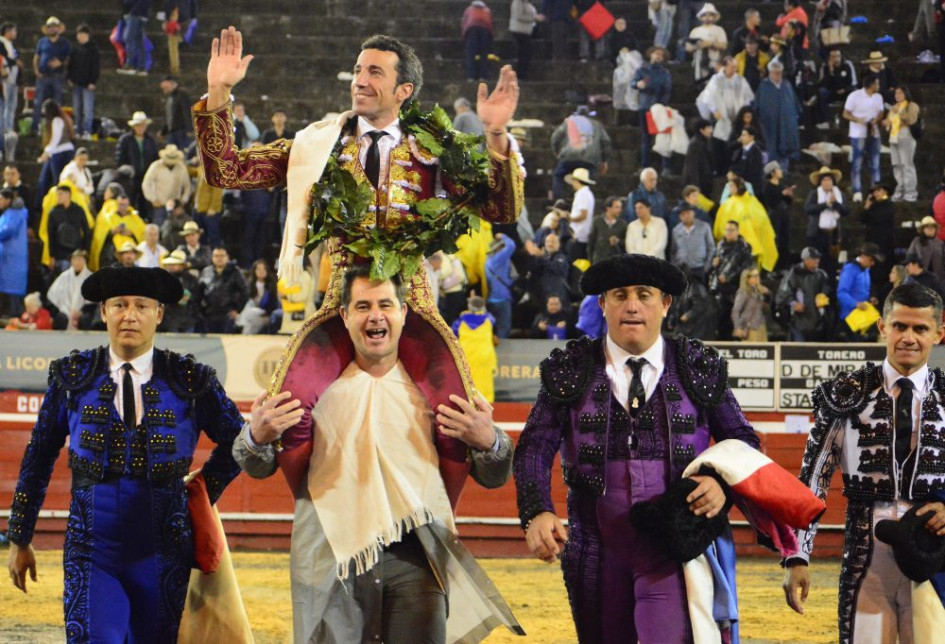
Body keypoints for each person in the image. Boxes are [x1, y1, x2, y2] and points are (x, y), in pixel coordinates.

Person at [194, 28, 524, 444]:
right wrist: (218, 91)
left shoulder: (438, 150)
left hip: (414, 308)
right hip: (340, 306)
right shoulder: (317, 145)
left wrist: (495, 135)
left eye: (374, 72)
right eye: (356, 70)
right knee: (283, 416)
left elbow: (502, 209)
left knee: (464, 427)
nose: (359, 80)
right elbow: (226, 171)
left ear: (404, 89)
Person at [232, 265, 521, 640]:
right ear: (344, 315)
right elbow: (256, 465)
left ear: (404, 313)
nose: (375, 315)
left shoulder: (436, 387)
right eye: (363, 305)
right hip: (333, 557)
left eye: (386, 304)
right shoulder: (312, 388)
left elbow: (494, 474)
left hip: (417, 557)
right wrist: (255, 435)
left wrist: (490, 442)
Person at [513, 253, 766, 643]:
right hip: (594, 549)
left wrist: (721, 484)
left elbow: (744, 441)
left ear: (665, 304)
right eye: (619, 295)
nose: (632, 305)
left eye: (644, 294)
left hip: (671, 547)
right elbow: (534, 446)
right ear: (602, 304)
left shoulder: (696, 366)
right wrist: (537, 510)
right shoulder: (572, 367)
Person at [5, 265, 246, 640]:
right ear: (103, 312)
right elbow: (38, 456)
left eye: (141, 306)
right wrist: (20, 537)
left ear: (159, 314)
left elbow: (238, 441)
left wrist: (200, 492)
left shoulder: (190, 379)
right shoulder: (72, 376)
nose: (129, 316)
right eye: (119, 305)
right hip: (91, 551)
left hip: (163, 552)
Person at [784, 282, 945, 643]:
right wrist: (797, 555)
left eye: (920, 328)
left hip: (935, 560)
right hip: (865, 559)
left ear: (939, 333)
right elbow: (814, 477)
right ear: (882, 327)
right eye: (900, 326)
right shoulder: (848, 394)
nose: (908, 337)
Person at [714, 175, 778, 272]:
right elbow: (720, 224)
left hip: (753, 247)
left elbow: (763, 221)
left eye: (732, 186)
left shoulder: (753, 202)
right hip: (732, 249)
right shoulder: (728, 204)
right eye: (729, 186)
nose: (730, 189)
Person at [550, 105, 611, 201]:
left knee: (558, 176)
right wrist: (604, 161)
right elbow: (606, 142)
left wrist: (557, 151)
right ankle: (585, 202)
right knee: (588, 181)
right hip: (589, 160)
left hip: (569, 157)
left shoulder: (569, 121)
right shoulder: (597, 125)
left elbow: (555, 137)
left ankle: (559, 200)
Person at [709, 220, 755, 339]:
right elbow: (713, 267)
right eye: (727, 230)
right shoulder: (720, 245)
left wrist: (728, 277)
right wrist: (713, 264)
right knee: (720, 320)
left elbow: (746, 268)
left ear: (737, 231)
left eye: (731, 230)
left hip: (737, 289)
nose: (728, 233)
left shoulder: (744, 248)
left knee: (735, 319)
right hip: (721, 291)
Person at [774, 246, 832, 341]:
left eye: (817, 258)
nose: (817, 260)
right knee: (799, 351)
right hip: (798, 321)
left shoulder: (821, 275)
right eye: (813, 258)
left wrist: (824, 296)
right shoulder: (794, 273)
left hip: (817, 322)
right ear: (805, 260)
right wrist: (793, 303)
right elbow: (782, 295)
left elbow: (828, 290)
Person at [843, 73, 885, 202]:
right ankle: (857, 190)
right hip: (858, 133)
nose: (878, 85)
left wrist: (875, 120)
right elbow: (845, 113)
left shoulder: (878, 97)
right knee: (857, 163)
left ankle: (875, 191)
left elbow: (881, 112)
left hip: (874, 132)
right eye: (877, 83)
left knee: (875, 163)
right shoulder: (854, 96)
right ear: (871, 84)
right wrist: (857, 119)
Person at [756, 60, 801, 172]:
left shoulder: (787, 85)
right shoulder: (764, 86)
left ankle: (784, 172)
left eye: (779, 72)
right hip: (770, 126)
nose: (777, 75)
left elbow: (794, 105)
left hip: (786, 125)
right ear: (770, 73)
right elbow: (759, 107)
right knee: (771, 148)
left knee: (786, 149)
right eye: (775, 72)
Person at [632, 46, 672, 169]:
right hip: (644, 107)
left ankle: (665, 167)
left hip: (659, 108)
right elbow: (633, 83)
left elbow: (667, 90)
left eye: (661, 54)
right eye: (656, 53)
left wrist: (662, 105)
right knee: (645, 138)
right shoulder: (642, 70)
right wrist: (638, 84)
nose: (658, 56)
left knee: (663, 137)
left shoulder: (665, 73)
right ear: (651, 54)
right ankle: (645, 166)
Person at [452, 294, 498, 402]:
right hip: (484, 357)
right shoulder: (489, 320)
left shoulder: (459, 322)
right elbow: (493, 322)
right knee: (485, 385)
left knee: (466, 385)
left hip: (465, 357)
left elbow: (452, 335)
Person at [115, 111, 160, 217]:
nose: (140, 128)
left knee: (146, 204)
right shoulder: (125, 140)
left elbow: (155, 159)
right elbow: (120, 159)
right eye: (138, 125)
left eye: (142, 125)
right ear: (134, 126)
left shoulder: (151, 141)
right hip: (131, 178)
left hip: (147, 177)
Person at [31, 17, 70, 136]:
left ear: (58, 28)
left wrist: (60, 63)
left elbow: (68, 59)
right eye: (50, 27)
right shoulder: (42, 42)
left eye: (54, 27)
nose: (52, 29)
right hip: (43, 76)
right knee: (38, 103)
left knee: (57, 104)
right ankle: (34, 128)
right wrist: (36, 70)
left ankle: (57, 130)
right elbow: (36, 57)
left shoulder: (65, 43)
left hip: (57, 76)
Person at [196, 246, 249, 333]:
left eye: (222, 256)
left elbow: (245, 292)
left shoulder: (235, 271)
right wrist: (200, 310)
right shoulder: (206, 272)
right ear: (212, 258)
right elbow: (198, 293)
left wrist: (237, 309)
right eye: (216, 256)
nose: (219, 258)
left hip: (227, 315)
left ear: (227, 257)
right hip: (209, 314)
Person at [89, 188, 145, 272]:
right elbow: (99, 236)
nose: (122, 207)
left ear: (128, 205)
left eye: (124, 205)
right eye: (120, 204)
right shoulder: (108, 217)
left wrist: (132, 234)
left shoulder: (135, 219)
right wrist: (112, 232)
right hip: (112, 250)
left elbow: (142, 235)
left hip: (132, 249)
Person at [804, 165, 849, 268]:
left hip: (833, 233)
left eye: (829, 179)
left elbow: (846, 211)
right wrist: (825, 204)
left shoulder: (839, 195)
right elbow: (808, 209)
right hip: (817, 234)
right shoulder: (814, 194)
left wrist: (835, 204)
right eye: (824, 180)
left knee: (832, 263)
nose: (827, 182)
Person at [883, 86, 920, 204]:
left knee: (907, 164)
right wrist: (886, 122)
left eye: (900, 93)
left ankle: (910, 192)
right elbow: (889, 121)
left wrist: (898, 113)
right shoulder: (894, 107)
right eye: (896, 93)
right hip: (894, 137)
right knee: (897, 165)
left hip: (906, 136)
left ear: (905, 94)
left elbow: (911, 119)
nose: (897, 95)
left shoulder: (912, 105)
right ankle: (900, 189)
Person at [836, 243, 881, 338]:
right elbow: (841, 293)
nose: (873, 263)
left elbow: (864, 289)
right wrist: (855, 303)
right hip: (849, 319)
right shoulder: (849, 269)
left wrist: (871, 297)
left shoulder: (866, 269)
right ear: (863, 256)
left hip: (862, 318)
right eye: (871, 260)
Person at [36, 99, 75, 207]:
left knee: (57, 180)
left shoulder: (57, 120)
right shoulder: (58, 120)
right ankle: (39, 205)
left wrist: (46, 152)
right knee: (43, 180)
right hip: (55, 153)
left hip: (62, 153)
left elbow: (55, 139)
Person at [141, 143, 191, 227]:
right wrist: (153, 199)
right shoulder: (156, 166)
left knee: (176, 230)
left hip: (175, 206)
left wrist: (184, 199)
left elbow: (187, 185)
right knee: (159, 228)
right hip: (160, 204)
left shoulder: (181, 167)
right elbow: (146, 183)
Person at [45, 184, 91, 274]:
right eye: (57, 194)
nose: (58, 197)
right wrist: (52, 256)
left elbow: (86, 230)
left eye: (61, 194)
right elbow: (51, 235)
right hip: (60, 253)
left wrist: (86, 249)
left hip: (77, 251)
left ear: (68, 194)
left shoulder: (78, 210)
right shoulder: (53, 212)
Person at [860, 183, 896, 287]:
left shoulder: (889, 205)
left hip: (885, 242)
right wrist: (866, 207)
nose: (875, 193)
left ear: (885, 191)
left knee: (884, 268)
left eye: (878, 190)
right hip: (872, 241)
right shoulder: (873, 205)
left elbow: (880, 218)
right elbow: (863, 219)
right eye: (874, 191)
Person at [68, 25, 99, 140]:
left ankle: (87, 130)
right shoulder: (75, 49)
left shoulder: (93, 50)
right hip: (76, 83)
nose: (81, 37)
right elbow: (71, 65)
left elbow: (95, 67)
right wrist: (70, 78)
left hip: (87, 84)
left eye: (83, 34)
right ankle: (78, 130)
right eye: (79, 34)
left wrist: (93, 81)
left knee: (87, 109)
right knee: (77, 109)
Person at [46, 248, 91, 329]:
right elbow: (53, 296)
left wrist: (80, 312)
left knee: (85, 319)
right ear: (71, 261)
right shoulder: (64, 276)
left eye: (80, 259)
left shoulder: (90, 277)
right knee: (60, 318)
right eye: (75, 260)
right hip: (65, 311)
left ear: (85, 261)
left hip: (83, 312)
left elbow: (92, 302)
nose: (77, 262)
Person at [670, 202, 714, 282]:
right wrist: (675, 267)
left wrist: (707, 266)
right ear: (680, 216)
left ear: (693, 213)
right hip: (681, 268)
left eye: (687, 213)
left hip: (699, 268)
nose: (685, 216)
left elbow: (711, 247)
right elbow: (673, 251)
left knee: (700, 292)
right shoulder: (676, 230)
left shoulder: (704, 227)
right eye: (682, 214)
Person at [762, 161, 794, 270]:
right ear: (773, 173)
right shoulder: (768, 187)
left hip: (784, 214)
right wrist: (781, 194)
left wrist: (788, 195)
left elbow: (787, 201)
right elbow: (771, 202)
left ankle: (784, 267)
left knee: (785, 241)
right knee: (776, 241)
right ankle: (775, 267)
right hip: (774, 216)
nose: (781, 172)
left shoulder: (781, 185)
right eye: (778, 170)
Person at [814, 47, 856, 130]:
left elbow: (851, 83)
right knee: (821, 92)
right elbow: (824, 84)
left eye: (838, 56)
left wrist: (845, 90)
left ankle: (850, 120)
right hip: (832, 92)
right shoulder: (825, 67)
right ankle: (825, 121)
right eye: (833, 57)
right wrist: (831, 70)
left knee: (853, 92)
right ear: (829, 58)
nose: (836, 59)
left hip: (845, 92)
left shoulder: (846, 66)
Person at [0, 188, 27, 316]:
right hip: (10, 258)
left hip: (11, 258)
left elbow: (6, 230)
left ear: (7, 200)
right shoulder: (14, 212)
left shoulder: (14, 213)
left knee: (12, 289)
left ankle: (13, 317)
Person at [485, 231, 517, 339]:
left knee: (494, 327)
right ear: (498, 248)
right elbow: (511, 245)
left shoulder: (487, 261)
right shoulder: (499, 259)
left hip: (491, 299)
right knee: (504, 327)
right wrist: (503, 236)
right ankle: (503, 353)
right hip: (502, 299)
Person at [686, 3, 728, 82]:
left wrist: (710, 44)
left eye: (710, 15)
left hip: (714, 61)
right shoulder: (695, 31)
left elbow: (724, 45)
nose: (707, 17)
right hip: (698, 62)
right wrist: (698, 46)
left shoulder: (719, 30)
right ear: (701, 17)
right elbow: (688, 47)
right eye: (705, 15)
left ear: (714, 17)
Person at [236, 258, 280, 334]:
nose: (261, 271)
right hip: (252, 314)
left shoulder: (272, 285)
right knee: (250, 316)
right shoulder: (249, 285)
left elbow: (273, 305)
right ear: (254, 271)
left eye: (263, 269)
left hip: (265, 315)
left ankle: (240, 322)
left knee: (250, 317)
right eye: (258, 269)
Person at [565, 166, 595, 262]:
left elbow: (583, 215)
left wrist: (569, 218)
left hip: (578, 235)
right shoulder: (585, 193)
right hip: (581, 235)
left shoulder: (583, 194)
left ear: (576, 180)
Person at [587, 195, 628, 265]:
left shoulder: (623, 224)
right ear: (608, 208)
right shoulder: (597, 221)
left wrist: (618, 241)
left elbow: (627, 242)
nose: (620, 210)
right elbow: (591, 241)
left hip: (615, 261)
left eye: (620, 207)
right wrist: (590, 260)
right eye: (617, 207)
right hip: (599, 260)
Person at [906, 216, 945, 286]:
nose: (930, 230)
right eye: (927, 227)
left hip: (938, 279)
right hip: (920, 278)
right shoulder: (916, 241)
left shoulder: (940, 243)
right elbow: (909, 258)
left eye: (932, 227)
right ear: (923, 229)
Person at [461, 1, 495, 81]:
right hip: (485, 30)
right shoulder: (487, 10)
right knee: (484, 54)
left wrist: (464, 36)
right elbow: (491, 24)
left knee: (470, 54)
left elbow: (464, 23)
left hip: (472, 30)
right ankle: (483, 76)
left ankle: (471, 76)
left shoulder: (468, 9)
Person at [732, 267, 769, 341]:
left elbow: (766, 309)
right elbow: (735, 310)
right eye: (755, 276)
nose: (757, 278)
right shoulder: (743, 292)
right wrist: (737, 327)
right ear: (747, 279)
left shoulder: (758, 291)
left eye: (758, 275)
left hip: (761, 327)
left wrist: (767, 294)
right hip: (750, 329)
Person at [682, 119, 714, 197]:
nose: (710, 130)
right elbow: (693, 167)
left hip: (704, 182)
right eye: (708, 128)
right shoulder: (695, 144)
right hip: (698, 184)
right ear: (701, 130)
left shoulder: (705, 141)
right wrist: (696, 187)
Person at [159, 75, 193, 149]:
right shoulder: (170, 97)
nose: (164, 89)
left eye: (165, 87)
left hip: (181, 131)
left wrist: (189, 129)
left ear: (171, 83)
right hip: (172, 132)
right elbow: (169, 116)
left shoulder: (182, 94)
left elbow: (187, 112)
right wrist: (163, 131)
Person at [118, 0, 151, 75]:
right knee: (139, 41)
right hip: (143, 14)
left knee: (129, 39)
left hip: (135, 13)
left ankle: (130, 65)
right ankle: (142, 67)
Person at [0, 22, 21, 136]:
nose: (15, 33)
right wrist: (14, 62)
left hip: (14, 77)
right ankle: (4, 127)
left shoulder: (11, 44)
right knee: (6, 103)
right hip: (5, 77)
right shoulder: (1, 43)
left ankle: (9, 126)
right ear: (7, 31)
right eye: (13, 30)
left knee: (12, 104)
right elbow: (3, 58)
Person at [509, 0, 538, 80]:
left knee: (525, 54)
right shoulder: (518, 2)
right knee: (523, 54)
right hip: (519, 31)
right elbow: (519, 15)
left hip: (526, 31)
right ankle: (520, 75)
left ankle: (523, 75)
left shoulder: (526, 3)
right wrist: (534, 18)